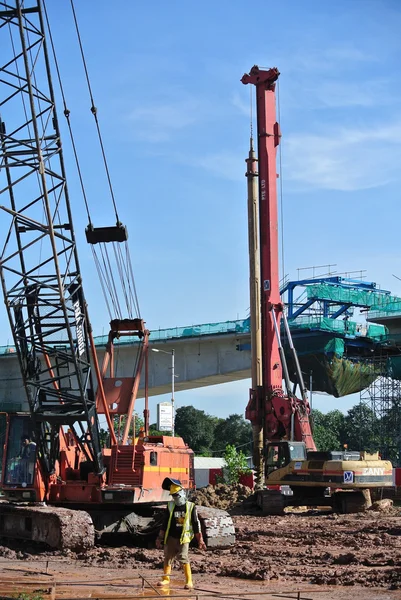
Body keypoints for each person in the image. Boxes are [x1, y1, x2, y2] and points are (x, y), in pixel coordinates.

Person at [156, 477, 206, 589]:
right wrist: (160, 537)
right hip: (171, 537)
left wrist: (200, 540)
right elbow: (165, 523)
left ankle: (189, 581)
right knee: (168, 557)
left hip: (184, 538)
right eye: (173, 496)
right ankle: (166, 579)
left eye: (176, 495)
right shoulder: (170, 506)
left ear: (182, 493)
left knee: (183, 557)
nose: (175, 498)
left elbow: (196, 524)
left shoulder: (190, 506)